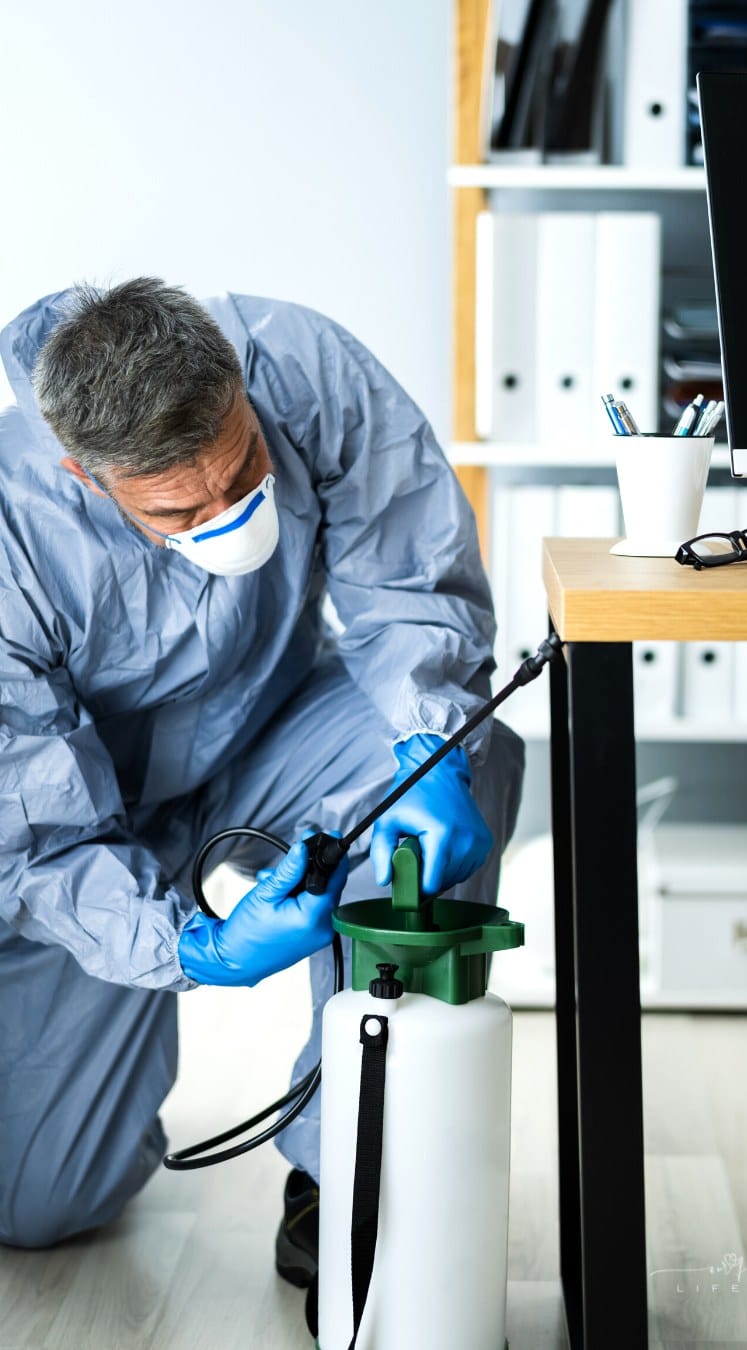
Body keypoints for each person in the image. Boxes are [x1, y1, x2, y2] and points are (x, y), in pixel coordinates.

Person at [0, 277, 525, 1326]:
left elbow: (410, 592)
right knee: (44, 1200)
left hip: (275, 746)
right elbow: (34, 841)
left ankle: (350, 1166)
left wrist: (427, 742)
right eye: (178, 509)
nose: (226, 512)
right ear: (86, 477)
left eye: (242, 471)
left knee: (472, 751)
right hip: (94, 830)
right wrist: (186, 947)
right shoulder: (12, 534)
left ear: (240, 387)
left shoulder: (302, 364)